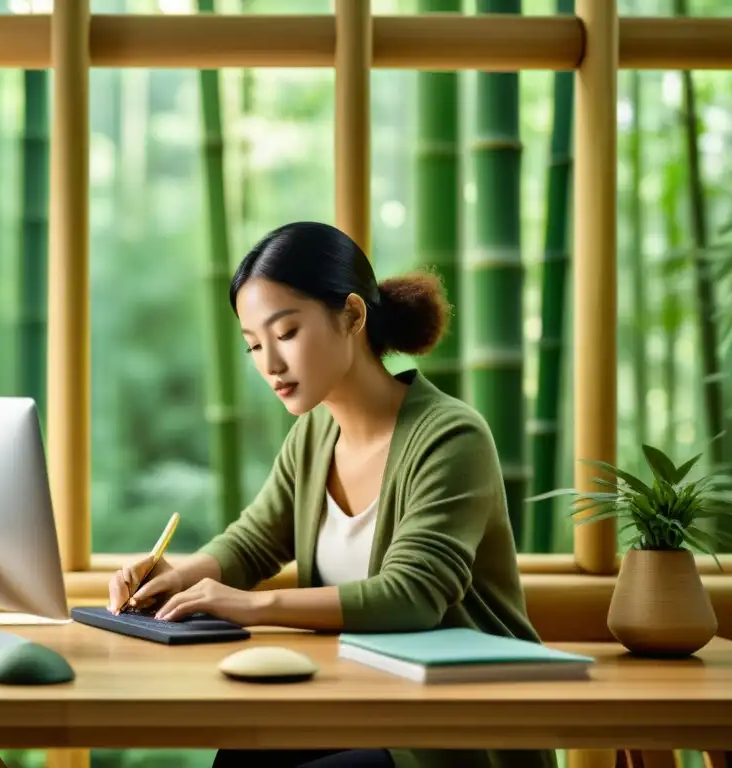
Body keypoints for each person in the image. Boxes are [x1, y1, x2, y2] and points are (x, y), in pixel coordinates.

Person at [108, 221, 556, 768]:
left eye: (287, 333)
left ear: (352, 316)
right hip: (354, 705)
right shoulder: (315, 435)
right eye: (254, 345)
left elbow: (412, 595)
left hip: (451, 729)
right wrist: (179, 576)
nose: (269, 364)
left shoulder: (451, 437)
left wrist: (253, 606)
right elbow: (253, 543)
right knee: (240, 758)